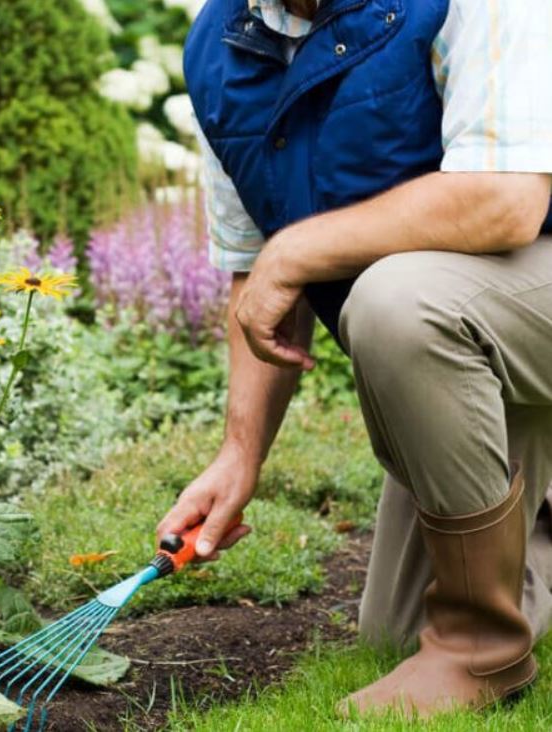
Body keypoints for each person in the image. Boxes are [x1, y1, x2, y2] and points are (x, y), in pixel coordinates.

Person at [156, 0, 552, 717]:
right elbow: (259, 279)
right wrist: (239, 455)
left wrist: (298, 251)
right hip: (491, 328)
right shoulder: (219, 49)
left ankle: (479, 648)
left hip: (505, 294)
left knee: (397, 301)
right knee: (396, 633)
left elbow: (506, 202)